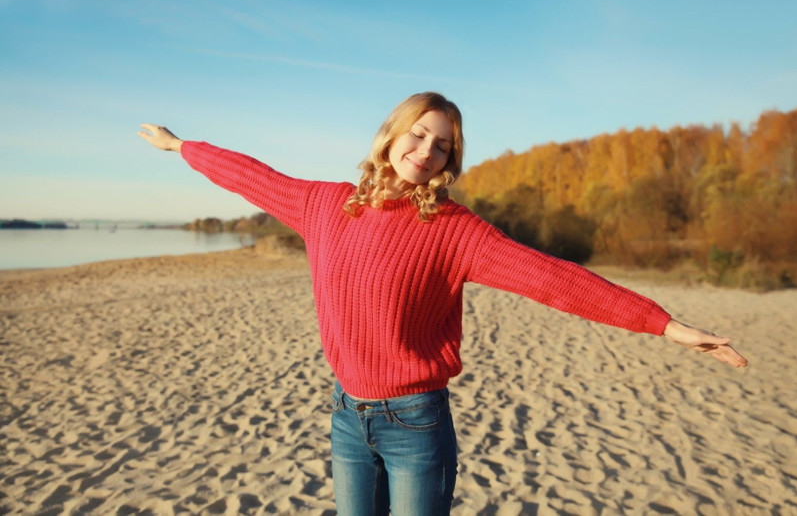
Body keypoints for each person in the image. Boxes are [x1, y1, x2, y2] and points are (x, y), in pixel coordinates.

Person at [138, 91, 747, 515]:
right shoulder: (326, 205)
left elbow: (553, 280)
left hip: (415, 423)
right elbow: (249, 174)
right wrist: (179, 147)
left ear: (449, 162)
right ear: (392, 134)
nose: (426, 150)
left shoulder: (456, 232)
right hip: (347, 416)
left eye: (442, 146)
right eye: (419, 133)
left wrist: (663, 325)